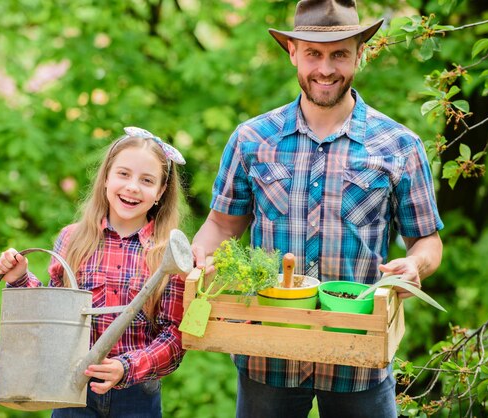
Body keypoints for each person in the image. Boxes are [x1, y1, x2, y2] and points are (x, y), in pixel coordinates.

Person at [191, 1, 444, 417]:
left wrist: (417, 265)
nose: (325, 68)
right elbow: (221, 223)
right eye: (313, 53)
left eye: (339, 54)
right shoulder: (253, 139)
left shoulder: (399, 146)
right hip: (267, 354)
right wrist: (199, 257)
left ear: (359, 54)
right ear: (292, 51)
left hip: (359, 356)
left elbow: (427, 240)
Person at [0, 126, 187, 418]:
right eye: (123, 174)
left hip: (136, 396)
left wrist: (126, 366)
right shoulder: (73, 239)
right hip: (71, 391)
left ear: (160, 192)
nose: (132, 187)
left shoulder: (167, 254)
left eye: (147, 180)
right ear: (106, 177)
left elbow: (174, 336)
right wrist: (19, 277)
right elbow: (53, 318)